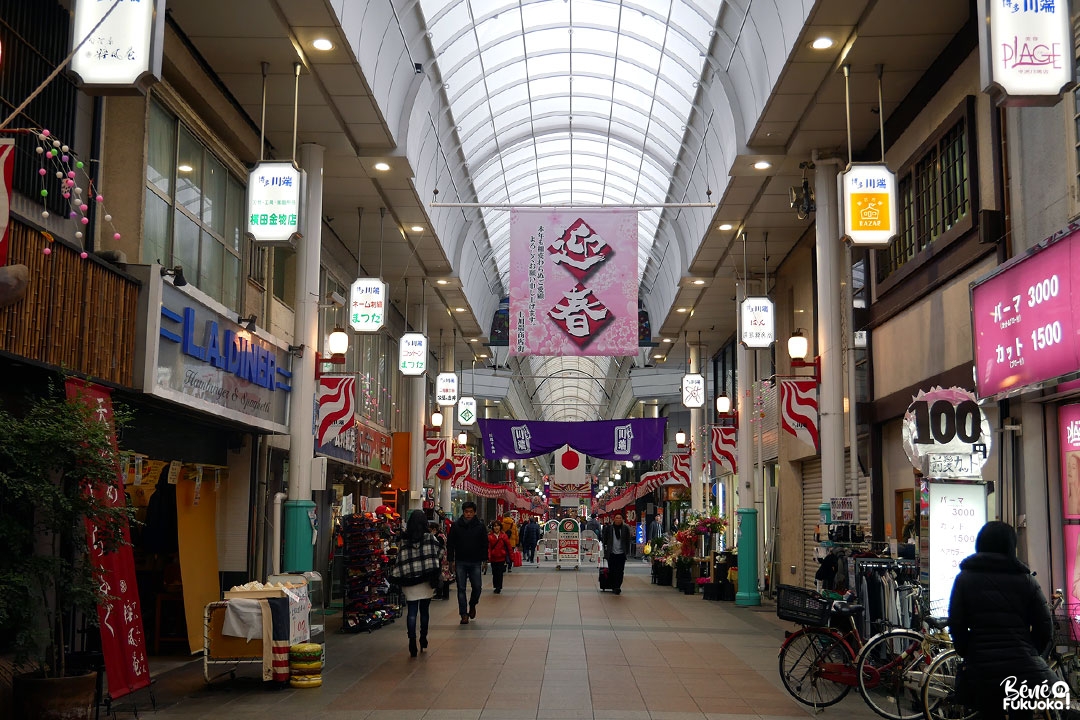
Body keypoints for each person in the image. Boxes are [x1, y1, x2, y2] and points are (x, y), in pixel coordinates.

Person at [949, 521, 1055, 720]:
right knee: (1022, 716)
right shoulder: (1027, 580)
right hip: (1022, 669)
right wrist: (1031, 651)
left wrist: (969, 651)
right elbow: (1044, 626)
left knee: (989, 714)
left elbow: (956, 623)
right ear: (1011, 546)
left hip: (982, 668)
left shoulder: (964, 579)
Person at [393, 510, 445, 657]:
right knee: (425, 611)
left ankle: (411, 640)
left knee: (412, 612)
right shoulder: (429, 538)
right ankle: (423, 637)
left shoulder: (404, 540)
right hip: (426, 580)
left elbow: (400, 560)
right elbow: (441, 552)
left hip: (409, 581)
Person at [446, 501, 488, 624]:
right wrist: (450, 560)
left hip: (475, 561)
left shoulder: (480, 526)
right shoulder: (456, 525)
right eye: (466, 512)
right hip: (460, 561)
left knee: (477, 587)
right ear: (463, 512)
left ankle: (473, 604)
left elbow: (484, 544)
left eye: (471, 512)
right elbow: (450, 544)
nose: (468, 514)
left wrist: (485, 560)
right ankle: (463, 614)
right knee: (461, 588)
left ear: (474, 513)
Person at [601, 513, 632, 595]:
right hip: (612, 553)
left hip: (621, 553)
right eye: (616, 518)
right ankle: (614, 585)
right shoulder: (609, 528)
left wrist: (627, 552)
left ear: (622, 519)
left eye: (620, 518)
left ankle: (618, 586)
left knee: (620, 570)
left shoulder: (625, 528)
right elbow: (605, 540)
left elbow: (628, 540)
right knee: (612, 570)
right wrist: (605, 552)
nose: (618, 519)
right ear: (614, 519)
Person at [487, 522, 512, 593]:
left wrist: (511, 557)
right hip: (493, 558)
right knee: (494, 573)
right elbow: (488, 548)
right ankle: (496, 586)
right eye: (495, 526)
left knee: (500, 573)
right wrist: (488, 557)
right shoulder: (490, 536)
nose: (496, 527)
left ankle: (498, 587)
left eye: (497, 526)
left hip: (501, 557)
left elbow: (509, 547)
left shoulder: (504, 536)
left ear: (500, 527)